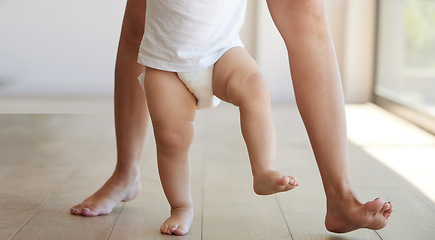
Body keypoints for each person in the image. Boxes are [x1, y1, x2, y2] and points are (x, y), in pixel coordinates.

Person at [70, 0, 393, 236]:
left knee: (300, 14)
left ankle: (331, 193)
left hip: (223, 50)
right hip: (163, 61)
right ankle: (135, 179)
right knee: (170, 134)